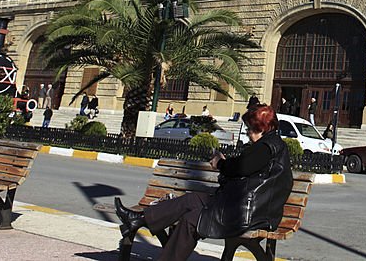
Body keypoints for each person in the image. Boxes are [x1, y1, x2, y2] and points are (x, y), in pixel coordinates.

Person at [115, 104, 293, 261]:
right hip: (244, 206)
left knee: (192, 219)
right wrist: (224, 165)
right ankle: (138, 219)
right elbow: (244, 171)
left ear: (261, 127)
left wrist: (220, 163)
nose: (248, 133)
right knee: (191, 200)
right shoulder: (268, 145)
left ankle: (143, 228)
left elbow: (242, 168)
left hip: (249, 213)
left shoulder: (266, 147)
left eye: (250, 129)